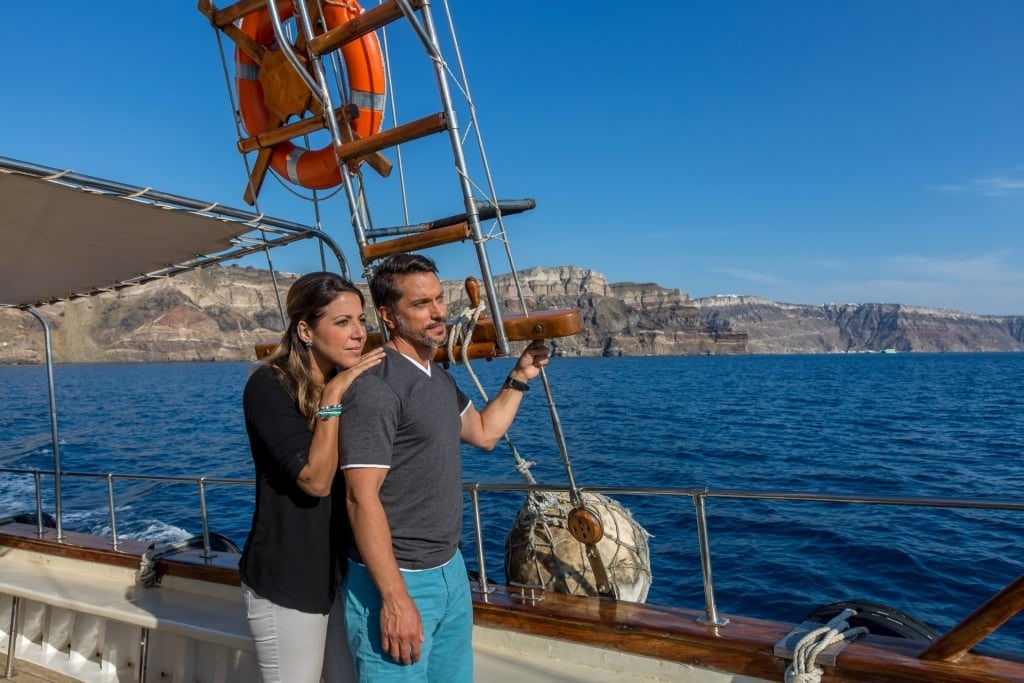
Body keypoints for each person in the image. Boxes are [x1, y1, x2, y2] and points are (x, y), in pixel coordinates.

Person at [339, 253, 550, 682]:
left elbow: (485, 433)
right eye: (421, 304)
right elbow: (360, 498)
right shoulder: (377, 389)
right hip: (398, 580)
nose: (438, 312)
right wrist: (395, 599)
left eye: (439, 299)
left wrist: (521, 374)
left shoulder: (437, 378)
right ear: (388, 316)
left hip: (450, 570)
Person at [240, 272, 386, 683]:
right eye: (343, 323)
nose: (359, 333)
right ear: (305, 329)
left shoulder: (352, 380)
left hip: (343, 575)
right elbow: (316, 481)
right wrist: (334, 397)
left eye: (361, 320)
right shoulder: (268, 387)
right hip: (288, 579)